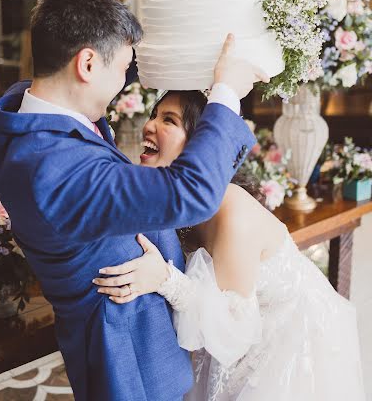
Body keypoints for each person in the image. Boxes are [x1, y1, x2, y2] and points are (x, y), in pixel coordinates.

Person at [0, 0, 268, 401]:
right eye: (122, 68)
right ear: (87, 64)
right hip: (131, 362)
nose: (122, 84)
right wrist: (227, 93)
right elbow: (188, 192)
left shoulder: (22, 109)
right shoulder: (56, 167)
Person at [95, 90, 366, 401]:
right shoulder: (174, 195)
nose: (149, 126)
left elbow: (233, 331)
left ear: (201, 145)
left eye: (167, 120)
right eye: (154, 115)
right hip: (229, 332)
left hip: (284, 343)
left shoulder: (232, 211)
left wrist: (164, 279)